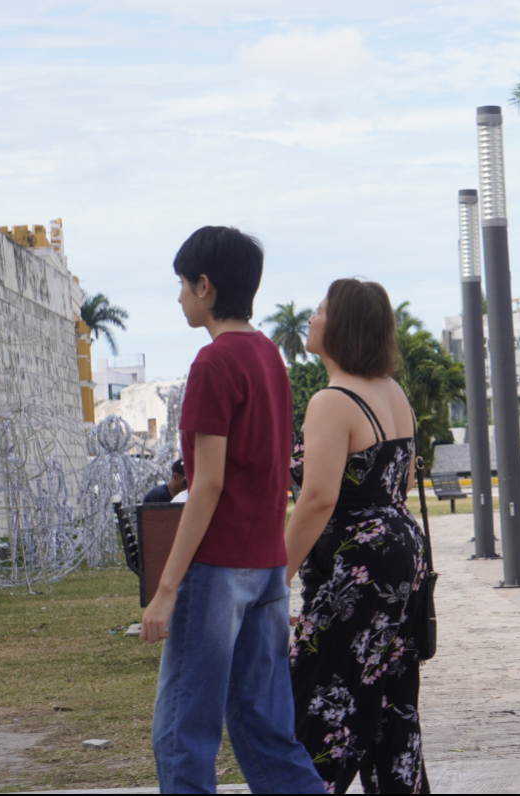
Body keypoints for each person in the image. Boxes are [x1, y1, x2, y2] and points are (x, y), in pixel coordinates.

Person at [140, 226, 323, 795]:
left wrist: (166, 588)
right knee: (264, 728)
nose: (178, 298)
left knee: (182, 733)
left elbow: (208, 483)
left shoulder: (213, 363)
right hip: (266, 565)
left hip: (217, 569)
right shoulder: (269, 355)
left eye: (181, 285)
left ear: (205, 285)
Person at [285, 278, 430, 794]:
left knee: (323, 696)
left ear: (340, 324)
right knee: (390, 700)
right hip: (400, 551)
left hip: (356, 563)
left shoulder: (331, 400)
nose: (311, 317)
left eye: (320, 310)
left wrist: (274, 574)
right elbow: (403, 479)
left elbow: (319, 498)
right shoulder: (393, 393)